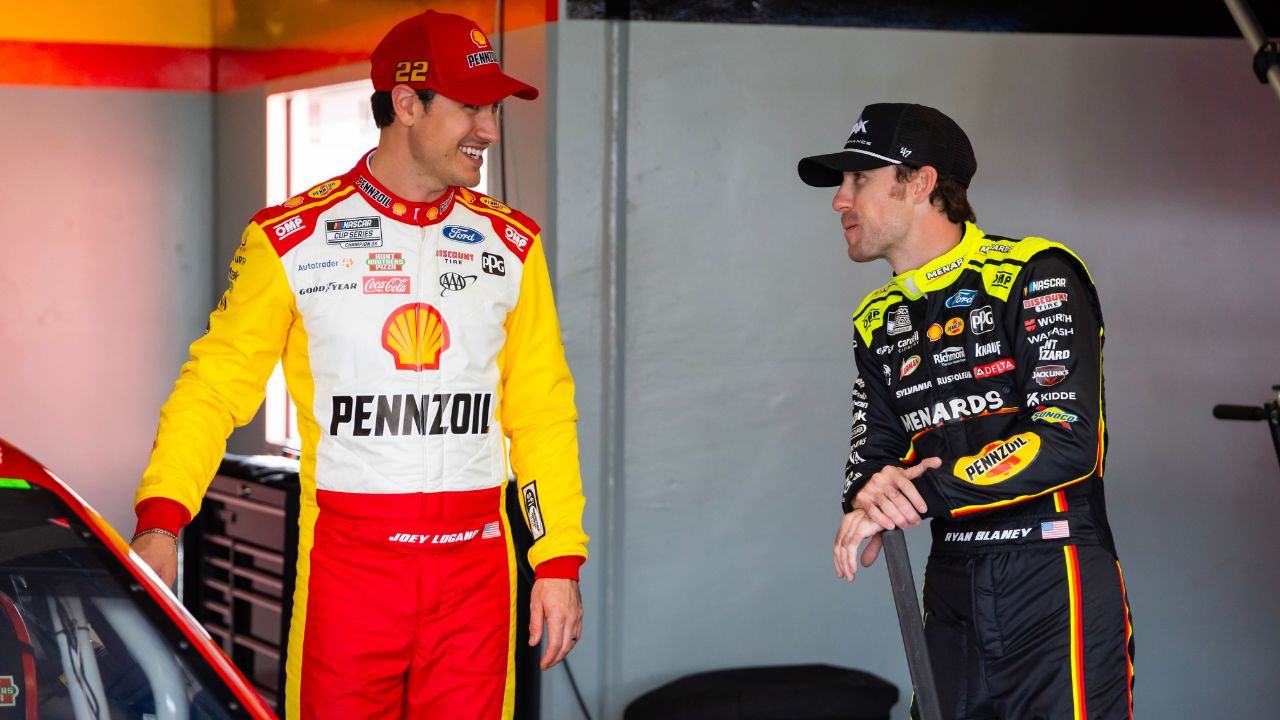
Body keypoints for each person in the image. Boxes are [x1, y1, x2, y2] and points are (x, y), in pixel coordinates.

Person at [129, 10, 587, 719]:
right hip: (350, 573)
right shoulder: (290, 239)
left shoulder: (513, 245)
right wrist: (162, 521)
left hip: (478, 568)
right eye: (471, 106)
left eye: (492, 109)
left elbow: (541, 411)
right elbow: (212, 390)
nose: (490, 130)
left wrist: (556, 561)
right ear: (407, 103)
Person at [799, 103, 1134, 719]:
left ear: (921, 183)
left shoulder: (1037, 273)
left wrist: (921, 496)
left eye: (858, 180)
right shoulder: (877, 320)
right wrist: (868, 499)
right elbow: (872, 458)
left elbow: (1066, 441)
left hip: (1052, 573)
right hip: (950, 581)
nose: (838, 202)